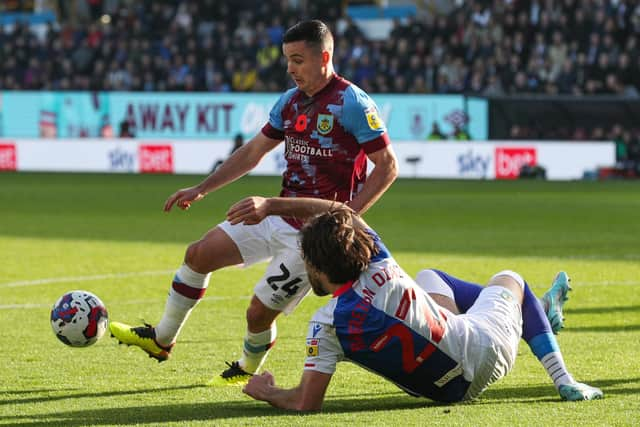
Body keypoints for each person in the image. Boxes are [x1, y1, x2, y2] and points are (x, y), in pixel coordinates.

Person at [109, 20, 398, 385]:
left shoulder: (351, 103)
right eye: (287, 60)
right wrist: (202, 188)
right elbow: (252, 153)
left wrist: (346, 218)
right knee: (198, 254)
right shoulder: (290, 102)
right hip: (276, 212)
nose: (291, 69)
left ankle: (246, 369)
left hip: (314, 236)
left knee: (257, 315)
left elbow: (388, 166)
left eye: (298, 60)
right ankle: (161, 340)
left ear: (324, 57)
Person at [236, 198, 603, 409]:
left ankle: (545, 343)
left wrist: (265, 390)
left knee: (434, 276)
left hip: (447, 390)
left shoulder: (327, 323)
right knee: (509, 280)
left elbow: (306, 402)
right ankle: (543, 337)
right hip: (483, 349)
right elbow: (342, 212)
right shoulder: (379, 258)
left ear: (316, 265)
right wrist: (273, 205)